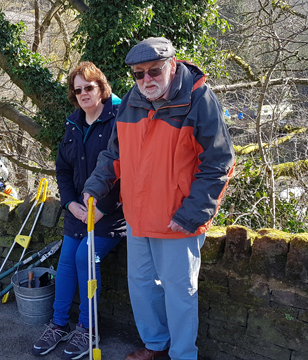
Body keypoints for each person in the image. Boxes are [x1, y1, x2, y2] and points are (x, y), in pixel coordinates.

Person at [82, 37, 235, 360]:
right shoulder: (131, 102)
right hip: (138, 216)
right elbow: (115, 153)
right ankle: (155, 345)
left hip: (178, 219)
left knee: (180, 294)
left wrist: (191, 214)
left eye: (154, 71)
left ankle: (182, 355)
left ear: (172, 65)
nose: (146, 80)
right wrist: (95, 186)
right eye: (139, 74)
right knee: (141, 287)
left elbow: (219, 162)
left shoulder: (198, 99)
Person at [32, 62, 125, 359]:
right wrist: (69, 203)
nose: (84, 93)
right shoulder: (73, 124)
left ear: (101, 87)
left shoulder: (119, 121)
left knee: (85, 256)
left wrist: (103, 208)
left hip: (110, 215)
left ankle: (88, 329)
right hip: (77, 212)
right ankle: (59, 325)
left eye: (89, 87)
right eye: (78, 89)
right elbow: (62, 169)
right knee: (67, 261)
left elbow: (129, 171)